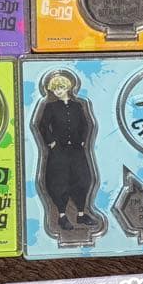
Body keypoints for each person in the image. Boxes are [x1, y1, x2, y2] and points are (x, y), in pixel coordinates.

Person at [35, 73, 98, 232]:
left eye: (61, 87)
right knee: (59, 181)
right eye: (55, 89)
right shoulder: (51, 107)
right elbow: (42, 125)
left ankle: (81, 214)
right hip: (59, 152)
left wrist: (82, 140)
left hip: (76, 150)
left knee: (83, 179)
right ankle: (62, 216)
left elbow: (85, 124)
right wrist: (51, 142)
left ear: (68, 88)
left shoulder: (77, 106)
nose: (58, 91)